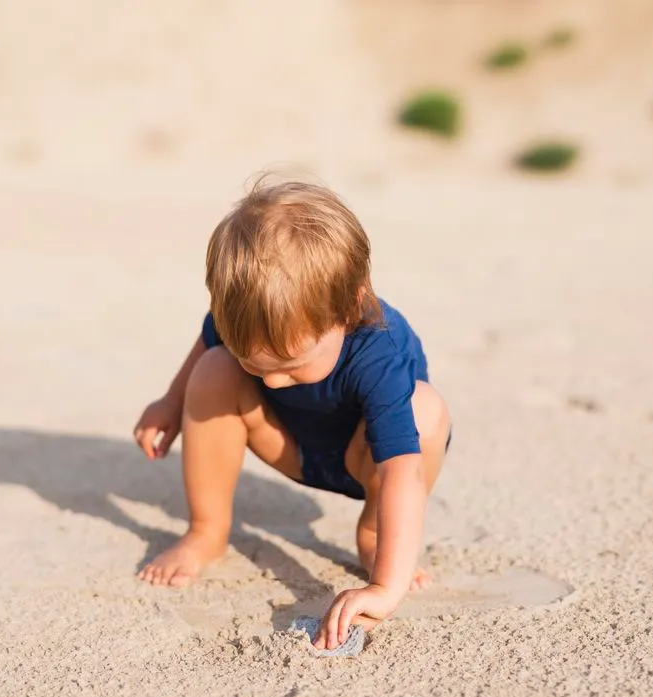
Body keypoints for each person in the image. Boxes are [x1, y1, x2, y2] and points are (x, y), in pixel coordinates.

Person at [133, 178, 451, 651]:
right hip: (289, 443)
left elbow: (402, 468)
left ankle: (374, 534)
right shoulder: (247, 312)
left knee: (425, 408)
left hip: (366, 460)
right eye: (255, 365)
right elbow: (209, 342)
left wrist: (385, 589)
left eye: (291, 365)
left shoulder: (378, 349)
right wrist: (172, 403)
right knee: (214, 368)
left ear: (348, 306)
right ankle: (206, 530)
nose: (273, 382)